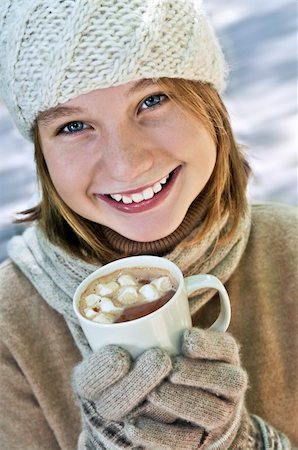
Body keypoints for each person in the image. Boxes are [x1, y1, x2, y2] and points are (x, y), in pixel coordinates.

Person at [0, 1, 297, 449]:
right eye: (74, 125)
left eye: (152, 100)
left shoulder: (291, 250)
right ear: (43, 153)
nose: (126, 165)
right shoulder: (10, 327)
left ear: (209, 104)